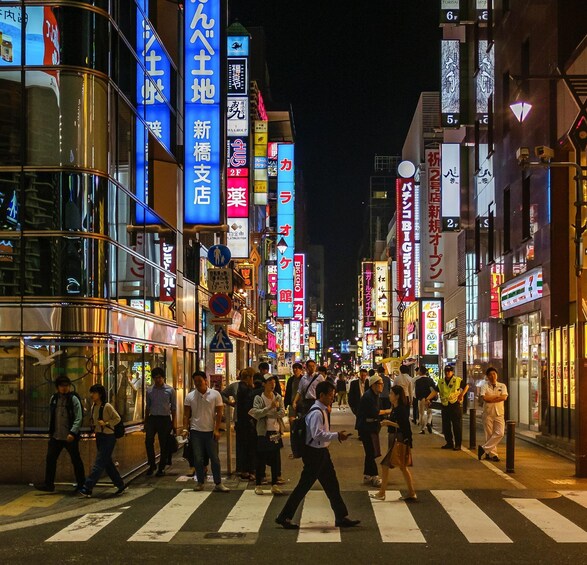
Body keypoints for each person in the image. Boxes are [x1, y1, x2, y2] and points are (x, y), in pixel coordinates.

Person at [275, 381, 360, 530]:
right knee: (303, 486)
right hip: (315, 454)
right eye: (330, 395)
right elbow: (317, 435)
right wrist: (336, 436)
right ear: (321, 395)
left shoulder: (321, 410)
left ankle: (341, 516)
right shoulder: (316, 413)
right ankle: (284, 516)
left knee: (332, 485)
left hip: (322, 453)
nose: (332, 398)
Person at [35, 376, 86, 493]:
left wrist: (73, 432)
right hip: (56, 436)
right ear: (57, 387)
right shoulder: (53, 398)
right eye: (62, 386)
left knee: (76, 460)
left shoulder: (73, 399)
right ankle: (49, 484)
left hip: (70, 436)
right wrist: (51, 431)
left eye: (66, 386)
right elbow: (52, 416)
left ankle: (81, 484)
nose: (64, 388)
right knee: (51, 459)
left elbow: (79, 417)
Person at [183, 371, 230, 492]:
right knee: (198, 458)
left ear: (205, 381)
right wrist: (185, 429)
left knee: (214, 458)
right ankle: (200, 482)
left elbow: (219, 412)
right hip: (195, 431)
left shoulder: (215, 394)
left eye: (200, 380)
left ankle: (218, 483)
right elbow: (186, 414)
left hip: (210, 431)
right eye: (195, 381)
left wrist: (216, 429)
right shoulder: (190, 396)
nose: (198, 383)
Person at [370, 385, 416, 502]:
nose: (389, 395)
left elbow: (403, 426)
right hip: (395, 439)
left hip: (398, 440)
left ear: (397, 396)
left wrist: (388, 423)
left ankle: (382, 493)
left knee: (388, 465)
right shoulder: (395, 408)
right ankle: (411, 492)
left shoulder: (400, 409)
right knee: (402, 467)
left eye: (391, 393)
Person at [78, 384, 126, 497]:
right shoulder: (93, 406)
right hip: (99, 436)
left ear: (100, 394)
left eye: (94, 393)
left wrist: (107, 423)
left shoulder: (107, 406)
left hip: (109, 436)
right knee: (107, 462)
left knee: (99, 462)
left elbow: (117, 418)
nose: (92, 395)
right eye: (91, 392)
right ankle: (120, 485)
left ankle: (88, 487)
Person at [249, 374, 286, 495]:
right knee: (261, 458)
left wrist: (268, 413)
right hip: (263, 432)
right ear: (264, 384)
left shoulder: (278, 397)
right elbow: (256, 413)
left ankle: (274, 484)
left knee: (275, 459)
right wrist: (270, 408)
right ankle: (258, 484)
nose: (272, 384)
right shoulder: (259, 398)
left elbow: (281, 412)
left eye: (274, 382)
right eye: (270, 382)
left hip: (275, 431)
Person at [356, 374, 392, 487]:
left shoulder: (375, 395)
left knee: (370, 452)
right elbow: (375, 412)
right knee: (371, 452)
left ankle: (367, 475)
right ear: (373, 385)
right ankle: (375, 476)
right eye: (380, 384)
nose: (382, 386)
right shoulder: (368, 397)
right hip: (366, 427)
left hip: (371, 427)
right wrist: (387, 411)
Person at [426, 365, 469, 451]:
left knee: (456, 426)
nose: (447, 372)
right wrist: (428, 398)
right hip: (445, 405)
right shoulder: (441, 382)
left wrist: (461, 394)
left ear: (452, 372)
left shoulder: (457, 380)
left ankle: (458, 444)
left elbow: (466, 386)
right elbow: (435, 391)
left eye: (449, 371)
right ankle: (449, 442)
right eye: (446, 371)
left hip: (455, 405)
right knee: (446, 426)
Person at [144, 367, 176, 476]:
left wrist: (174, 423)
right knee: (148, 441)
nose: (158, 380)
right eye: (156, 378)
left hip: (165, 419)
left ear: (163, 378)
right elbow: (147, 407)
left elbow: (174, 408)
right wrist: (146, 421)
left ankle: (161, 467)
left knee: (164, 444)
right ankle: (152, 464)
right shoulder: (149, 390)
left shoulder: (170, 390)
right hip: (152, 418)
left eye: (160, 378)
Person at [478, 367, 508, 462]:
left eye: (494, 374)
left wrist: (491, 398)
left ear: (497, 375)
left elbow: (504, 397)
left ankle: (484, 449)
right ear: (487, 376)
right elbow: (485, 398)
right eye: (490, 375)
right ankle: (493, 454)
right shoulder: (484, 386)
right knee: (489, 434)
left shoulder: (502, 386)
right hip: (488, 413)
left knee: (500, 433)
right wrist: (496, 397)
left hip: (499, 413)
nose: (492, 376)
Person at [414, 365, 436, 434]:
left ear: (420, 372)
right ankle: (429, 423)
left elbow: (416, 392)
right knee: (430, 412)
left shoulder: (418, 381)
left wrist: (418, 398)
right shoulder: (430, 380)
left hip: (421, 399)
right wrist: (431, 398)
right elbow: (434, 390)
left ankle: (422, 429)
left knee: (421, 414)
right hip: (429, 399)